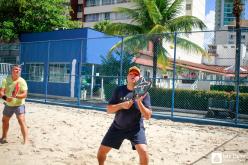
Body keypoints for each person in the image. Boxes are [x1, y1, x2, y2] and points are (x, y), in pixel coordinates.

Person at [97, 66, 152, 165]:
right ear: (127, 77)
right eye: (131, 74)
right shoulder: (119, 90)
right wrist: (121, 105)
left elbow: (148, 116)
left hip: (135, 129)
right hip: (117, 127)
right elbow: (109, 110)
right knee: (101, 152)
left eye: (136, 74)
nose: (133, 76)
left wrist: (139, 102)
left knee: (143, 152)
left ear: (139, 78)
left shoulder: (144, 94)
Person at [0, 64, 28, 144]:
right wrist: (6, 98)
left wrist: (16, 96)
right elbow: (1, 92)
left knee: (21, 120)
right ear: (12, 71)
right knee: (4, 120)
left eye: (19, 70)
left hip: (19, 104)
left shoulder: (22, 81)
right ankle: (4, 137)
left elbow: (25, 95)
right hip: (8, 104)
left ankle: (26, 141)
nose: (18, 71)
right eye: (16, 69)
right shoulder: (6, 80)